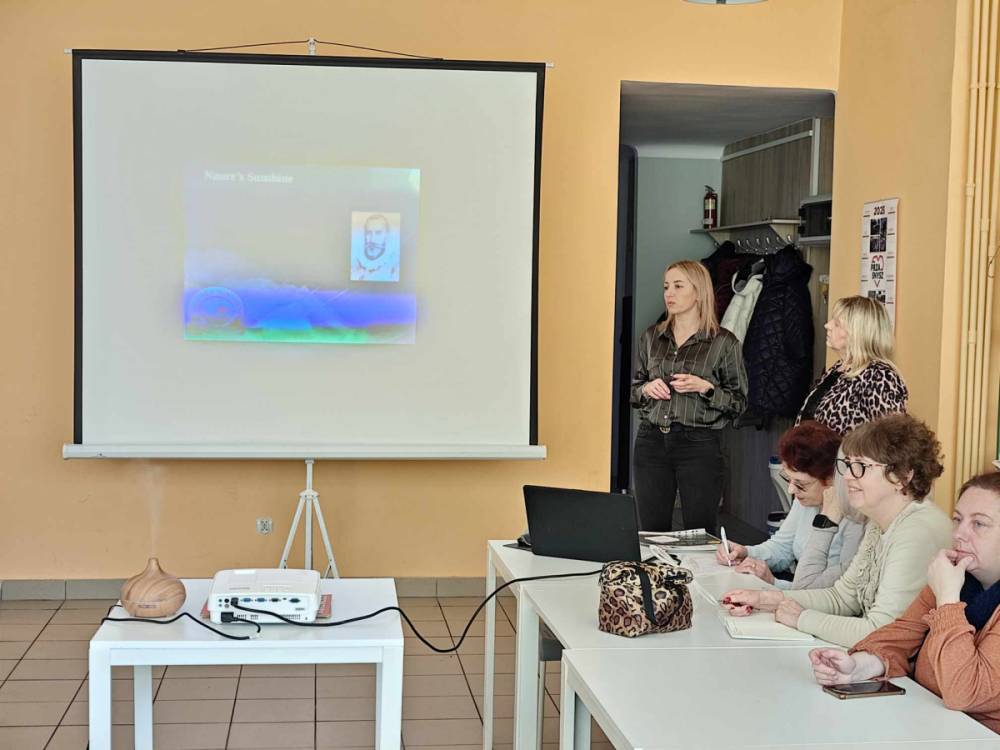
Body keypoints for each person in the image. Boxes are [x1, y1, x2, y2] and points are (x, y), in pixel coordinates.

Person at [722, 413, 952, 647]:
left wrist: (801, 618)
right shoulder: (880, 522)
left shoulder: (916, 530)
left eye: (861, 467)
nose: (847, 476)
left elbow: (881, 631)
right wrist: (764, 599)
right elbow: (841, 597)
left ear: (902, 476)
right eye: (848, 465)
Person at [809, 472, 1000, 735]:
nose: (959, 533)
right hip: (929, 725)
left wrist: (947, 601)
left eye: (979, 524)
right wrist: (858, 667)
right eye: (957, 519)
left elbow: (964, 692)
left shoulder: (948, 584)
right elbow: (902, 636)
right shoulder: (957, 577)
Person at [631, 259, 748, 535]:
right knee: (652, 532)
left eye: (678, 286)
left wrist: (706, 388)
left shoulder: (724, 342)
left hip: (699, 445)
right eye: (666, 287)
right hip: (650, 441)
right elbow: (634, 391)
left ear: (698, 292)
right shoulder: (651, 337)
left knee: (700, 532)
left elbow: (740, 403)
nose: (669, 293)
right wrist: (646, 389)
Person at [716, 422, 865, 589]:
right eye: (788, 479)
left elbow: (837, 594)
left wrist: (774, 583)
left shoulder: (856, 520)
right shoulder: (807, 501)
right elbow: (782, 548)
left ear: (832, 479)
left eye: (801, 484)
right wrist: (746, 553)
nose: (791, 490)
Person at [796, 295, 907, 436]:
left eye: (837, 324)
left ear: (858, 334)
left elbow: (888, 441)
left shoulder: (880, 376)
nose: (827, 325)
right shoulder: (839, 368)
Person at [351, 213, 400, 282]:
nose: (372, 239)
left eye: (378, 233)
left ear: (386, 234)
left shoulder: (395, 261)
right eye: (369, 233)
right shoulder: (355, 258)